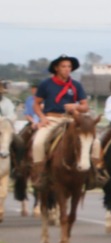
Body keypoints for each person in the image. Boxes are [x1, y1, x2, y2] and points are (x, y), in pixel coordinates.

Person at [29, 54, 96, 189]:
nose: (67, 69)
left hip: (72, 119)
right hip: (52, 118)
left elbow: (85, 106)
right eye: (63, 66)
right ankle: (40, 174)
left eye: (69, 67)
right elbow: (36, 104)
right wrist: (42, 118)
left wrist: (75, 106)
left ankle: (94, 173)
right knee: (38, 142)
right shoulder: (45, 84)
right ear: (56, 68)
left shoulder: (76, 85)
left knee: (95, 141)